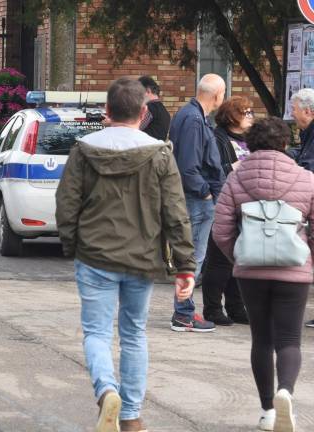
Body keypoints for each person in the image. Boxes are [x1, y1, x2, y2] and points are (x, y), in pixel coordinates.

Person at [56, 77, 196, 432]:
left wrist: (71, 245)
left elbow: (67, 203)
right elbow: (175, 212)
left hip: (94, 255)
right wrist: (184, 265)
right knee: (134, 333)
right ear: (144, 112)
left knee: (97, 333)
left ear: (107, 110)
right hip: (142, 257)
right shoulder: (160, 152)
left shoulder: (84, 149)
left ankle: (106, 391)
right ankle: (131, 416)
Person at [212, 117, 314, 432]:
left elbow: (221, 229)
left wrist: (239, 256)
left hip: (250, 271)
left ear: (250, 144)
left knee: (261, 339)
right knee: (289, 340)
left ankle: (268, 410)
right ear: (285, 144)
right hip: (293, 270)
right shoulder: (306, 178)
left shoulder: (236, 178)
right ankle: (286, 391)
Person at [168, 73, 226, 333]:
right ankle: (183, 314)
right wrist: (205, 192)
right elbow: (189, 166)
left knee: (190, 257)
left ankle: (184, 311)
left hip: (194, 195)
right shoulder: (193, 119)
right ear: (217, 95)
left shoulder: (189, 115)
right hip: (196, 197)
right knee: (193, 257)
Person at [200, 96, 253, 326]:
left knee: (239, 259)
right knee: (220, 260)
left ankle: (235, 306)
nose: (250, 116)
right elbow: (211, 169)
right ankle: (212, 308)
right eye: (246, 112)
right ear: (232, 116)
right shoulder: (217, 138)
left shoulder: (250, 139)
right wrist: (233, 166)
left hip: (248, 205)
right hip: (225, 202)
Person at [288, 88, 314, 329]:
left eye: (294, 110)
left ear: (308, 111)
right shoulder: (308, 133)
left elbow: (309, 165)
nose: (292, 115)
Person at [137, 76, 170, 141]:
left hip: (145, 148)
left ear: (148, 91)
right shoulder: (163, 110)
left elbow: (135, 129)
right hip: (157, 148)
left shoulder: (149, 108)